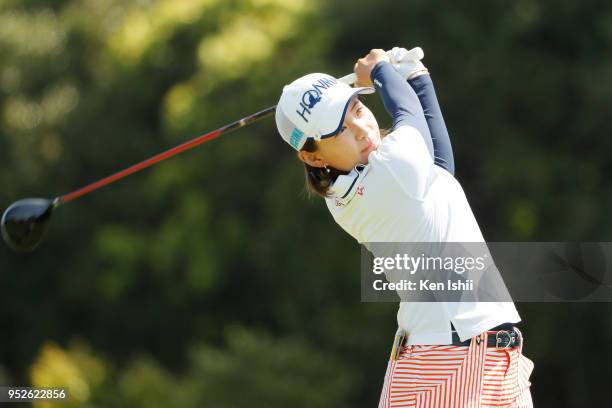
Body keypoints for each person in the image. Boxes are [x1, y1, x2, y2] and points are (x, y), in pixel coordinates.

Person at [275, 48, 534, 407]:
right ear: (313, 156)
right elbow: (408, 115)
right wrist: (382, 71)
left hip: (465, 356)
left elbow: (440, 167)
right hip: (451, 360)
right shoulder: (384, 177)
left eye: (359, 111)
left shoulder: (368, 179)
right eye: (341, 132)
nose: (362, 130)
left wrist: (417, 78)